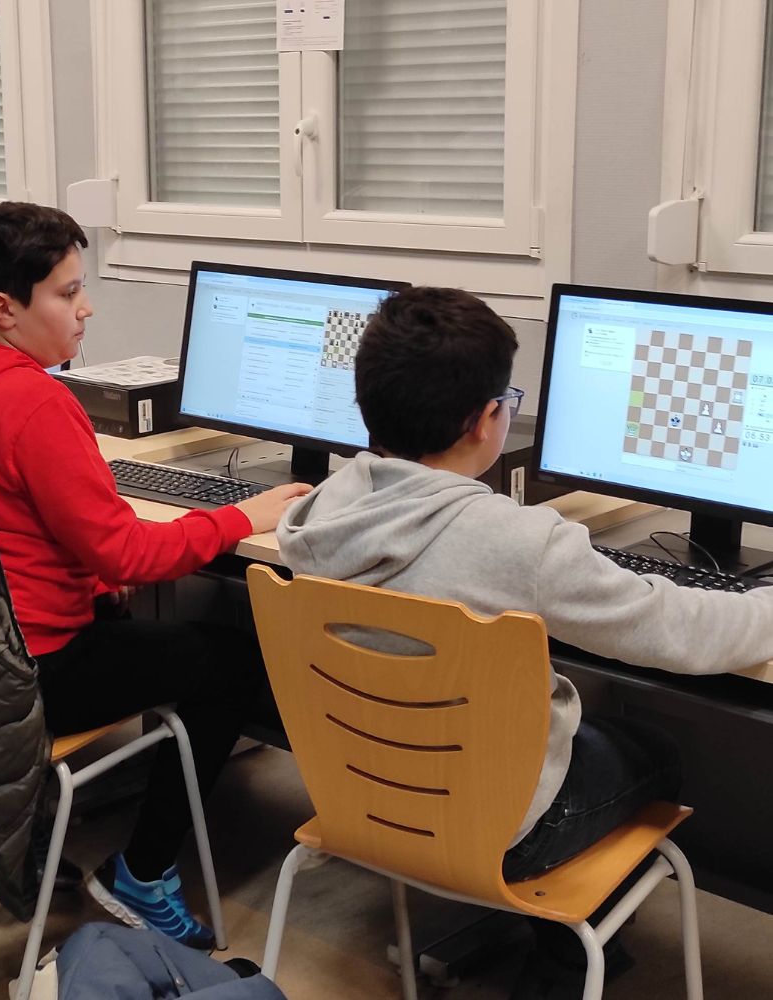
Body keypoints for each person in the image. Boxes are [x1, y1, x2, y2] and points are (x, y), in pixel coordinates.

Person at [275, 285, 773, 997]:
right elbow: (683, 633)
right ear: (486, 421)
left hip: (362, 797)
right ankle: (568, 963)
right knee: (653, 749)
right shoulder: (521, 544)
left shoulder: (319, 511)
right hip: (500, 829)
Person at [0, 201, 309, 948]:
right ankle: (144, 872)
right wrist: (243, 516)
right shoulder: (35, 400)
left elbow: (17, 527)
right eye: (68, 292)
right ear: (3, 309)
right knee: (233, 662)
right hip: (35, 669)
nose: (87, 308)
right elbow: (127, 555)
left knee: (157, 623)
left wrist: (97, 569)